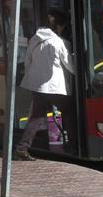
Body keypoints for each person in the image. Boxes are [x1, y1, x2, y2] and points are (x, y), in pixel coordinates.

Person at [14, 10, 75, 161]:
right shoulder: (60, 42)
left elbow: (28, 62)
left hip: (37, 86)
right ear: (59, 27)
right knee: (69, 111)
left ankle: (22, 148)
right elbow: (70, 66)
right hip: (54, 87)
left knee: (36, 117)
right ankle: (73, 144)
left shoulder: (35, 39)